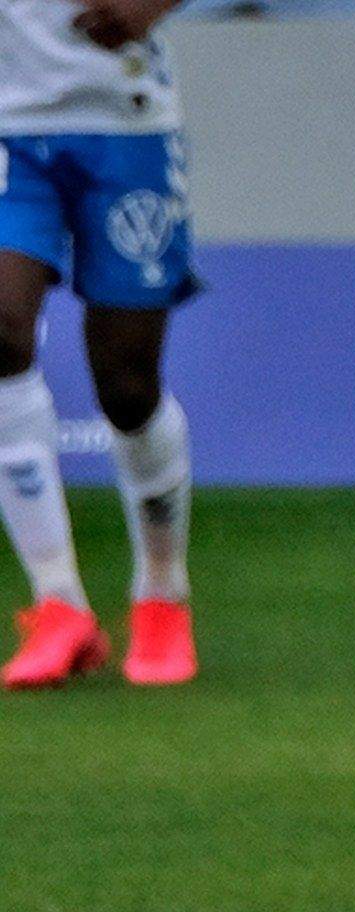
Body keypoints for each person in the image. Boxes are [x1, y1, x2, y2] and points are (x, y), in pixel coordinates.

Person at [0, 0, 198, 690]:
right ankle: (58, 604)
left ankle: (162, 593)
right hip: (9, 128)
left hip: (125, 123)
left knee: (126, 386)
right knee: (0, 330)